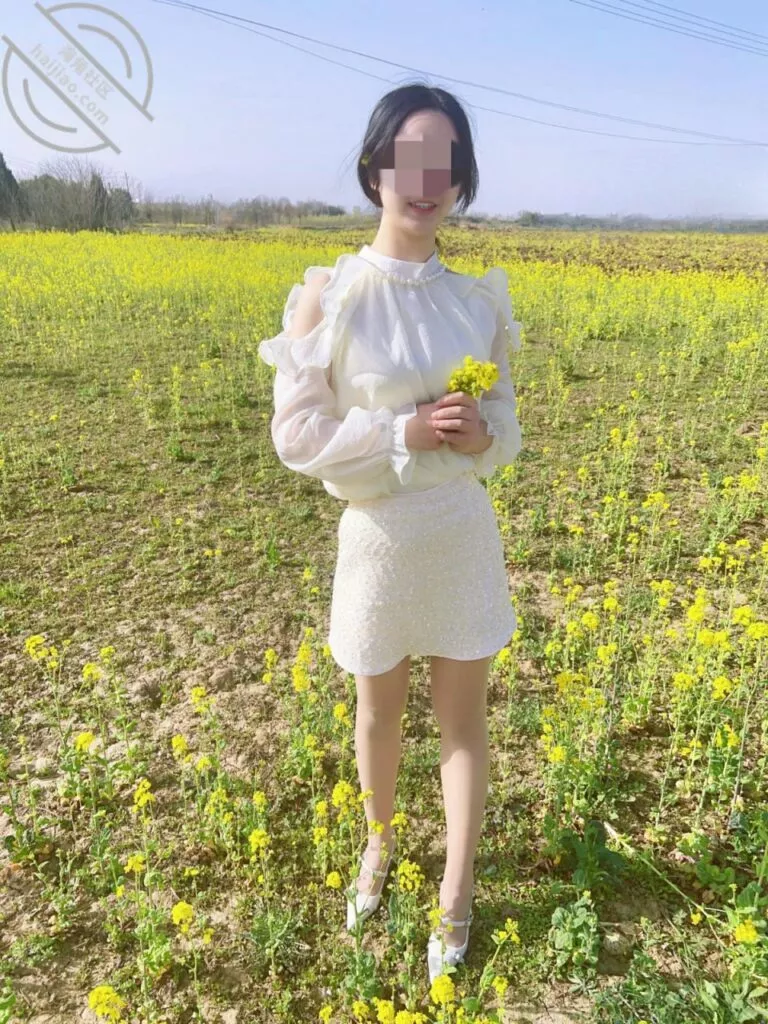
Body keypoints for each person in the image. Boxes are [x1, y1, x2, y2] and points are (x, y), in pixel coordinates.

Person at [258, 81, 523, 984]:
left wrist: (478, 435)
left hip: (459, 532)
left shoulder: (477, 303)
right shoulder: (328, 298)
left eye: (445, 162)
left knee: (462, 722)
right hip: (375, 535)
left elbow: (506, 431)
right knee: (376, 713)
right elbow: (297, 436)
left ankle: (457, 887)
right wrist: (400, 432)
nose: (426, 180)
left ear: (462, 180)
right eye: (410, 158)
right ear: (375, 168)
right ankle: (378, 845)